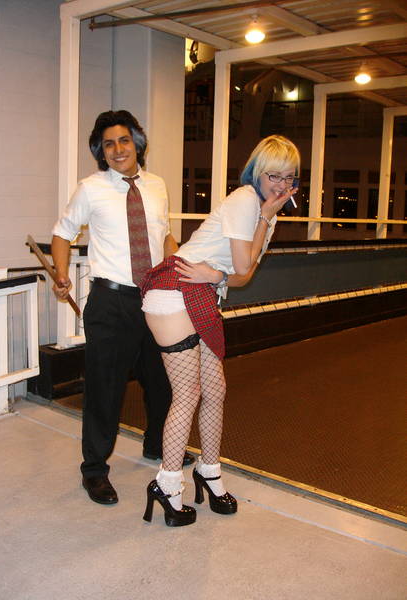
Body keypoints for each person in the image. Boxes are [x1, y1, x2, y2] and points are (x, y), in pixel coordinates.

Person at [141, 135, 300, 527]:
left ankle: (208, 472)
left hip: (202, 293)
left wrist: (217, 274)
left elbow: (242, 276)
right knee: (188, 393)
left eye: (289, 177)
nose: (281, 185)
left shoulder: (266, 214)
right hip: (175, 290)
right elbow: (243, 266)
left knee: (215, 390)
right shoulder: (246, 200)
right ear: (257, 173)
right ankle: (167, 484)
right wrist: (261, 221)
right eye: (273, 175)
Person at [51, 110, 194, 507]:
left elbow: (164, 235)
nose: (118, 149)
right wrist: (60, 273)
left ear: (137, 143)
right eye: (109, 144)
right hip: (111, 302)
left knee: (161, 381)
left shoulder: (157, 186)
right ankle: (94, 469)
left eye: (124, 140)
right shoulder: (91, 188)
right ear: (101, 151)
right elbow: (62, 233)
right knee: (105, 389)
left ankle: (156, 445)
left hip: (156, 298)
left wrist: (178, 264)